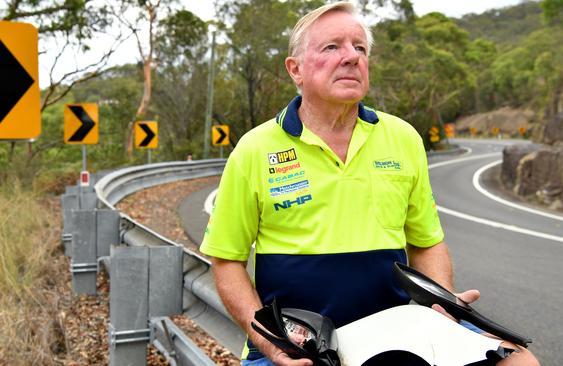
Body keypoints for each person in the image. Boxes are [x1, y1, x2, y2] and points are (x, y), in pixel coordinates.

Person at [200, 2, 539, 365]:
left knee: (518, 361)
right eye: (332, 47)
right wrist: (271, 343)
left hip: (398, 329)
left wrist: (442, 301)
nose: (351, 57)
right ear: (295, 69)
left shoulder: (403, 138)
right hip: (303, 344)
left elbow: (426, 243)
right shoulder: (255, 149)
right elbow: (227, 262)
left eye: (359, 48)